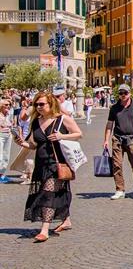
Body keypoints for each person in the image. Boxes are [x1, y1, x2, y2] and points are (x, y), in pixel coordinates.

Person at [14, 91, 82, 242]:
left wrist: (61, 136)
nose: (38, 107)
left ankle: (44, 230)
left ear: (51, 104)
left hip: (56, 163)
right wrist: (22, 143)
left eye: (41, 104)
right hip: (41, 163)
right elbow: (34, 144)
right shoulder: (35, 121)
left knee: (48, 194)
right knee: (57, 192)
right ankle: (66, 220)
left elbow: (78, 134)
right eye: (36, 104)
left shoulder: (62, 119)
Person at [103, 84, 133, 200]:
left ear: (130, 93)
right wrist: (106, 140)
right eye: (121, 93)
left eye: (125, 93)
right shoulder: (114, 108)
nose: (123, 95)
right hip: (118, 138)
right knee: (116, 164)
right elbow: (110, 124)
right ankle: (120, 189)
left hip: (132, 139)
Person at [0, 99, 13, 183]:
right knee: (0, 156)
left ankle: (2, 174)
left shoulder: (9, 114)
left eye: (9, 105)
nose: (8, 106)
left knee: (6, 156)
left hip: (8, 135)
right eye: (6, 105)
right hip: (0, 136)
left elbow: (11, 124)